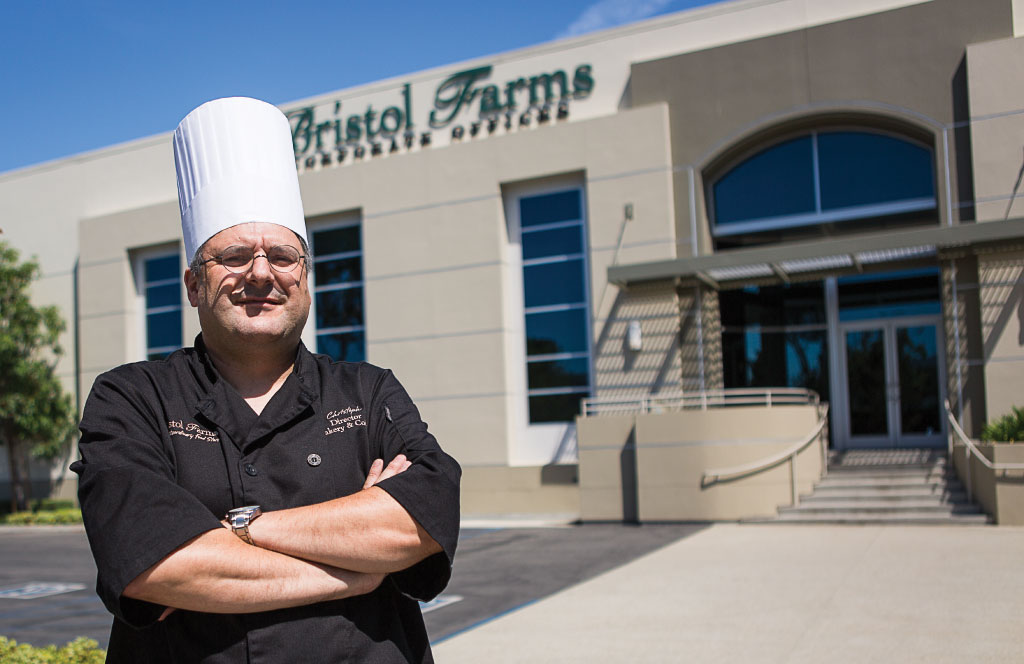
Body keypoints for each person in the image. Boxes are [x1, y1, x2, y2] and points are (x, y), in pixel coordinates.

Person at [71, 97, 461, 663]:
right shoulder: (132, 397)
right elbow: (156, 565)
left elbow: (418, 525)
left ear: (305, 279)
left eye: (282, 256)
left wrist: (237, 531)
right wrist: (355, 569)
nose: (260, 273)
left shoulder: (368, 390)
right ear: (193, 285)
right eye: (233, 256)